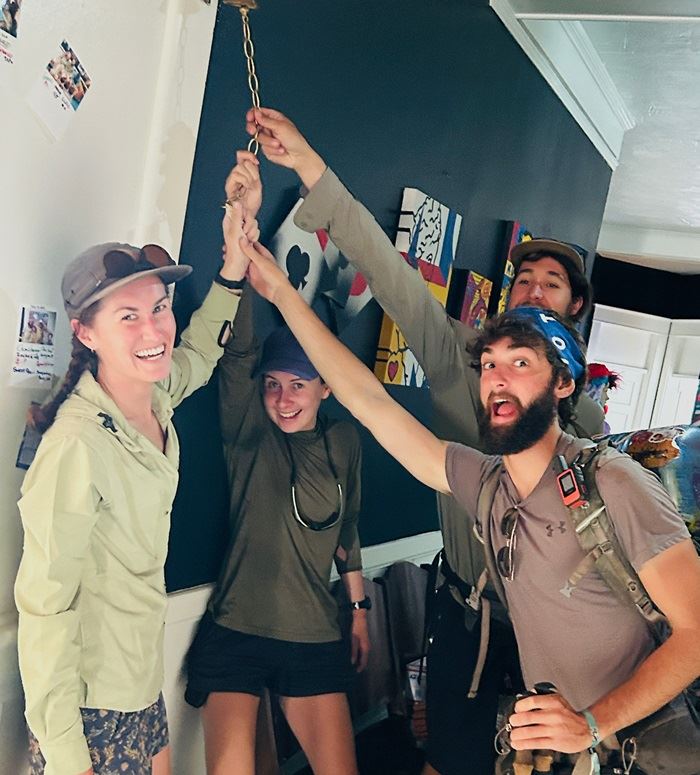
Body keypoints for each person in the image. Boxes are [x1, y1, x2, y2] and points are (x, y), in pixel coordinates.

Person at [239, 237, 700, 775]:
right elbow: (367, 400)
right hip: (565, 752)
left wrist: (593, 723)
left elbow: (695, 634)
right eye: (488, 364)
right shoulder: (484, 482)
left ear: (562, 383)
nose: (498, 379)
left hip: (639, 747)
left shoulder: (613, 482)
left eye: (521, 362)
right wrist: (282, 293)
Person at [242, 107, 605, 774]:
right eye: (524, 279)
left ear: (573, 307)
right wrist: (310, 165)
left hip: (551, 628)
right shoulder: (458, 357)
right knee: (445, 759)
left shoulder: (589, 426)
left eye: (551, 284)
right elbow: (389, 274)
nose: (533, 290)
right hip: (465, 614)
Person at [14, 190, 258, 775]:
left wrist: (233, 261)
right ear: (86, 334)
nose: (153, 329)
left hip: (141, 682)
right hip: (91, 708)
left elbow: (200, 351)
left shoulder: (154, 398)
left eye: (159, 308)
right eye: (128, 316)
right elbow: (45, 609)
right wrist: (67, 756)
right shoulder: (76, 445)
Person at [184, 152, 369, 775]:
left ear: (325, 387)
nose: (282, 398)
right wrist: (241, 225)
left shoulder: (345, 442)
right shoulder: (248, 430)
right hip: (236, 631)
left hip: (314, 637)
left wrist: (360, 610)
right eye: (273, 384)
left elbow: (347, 529)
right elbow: (237, 350)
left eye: (298, 385)